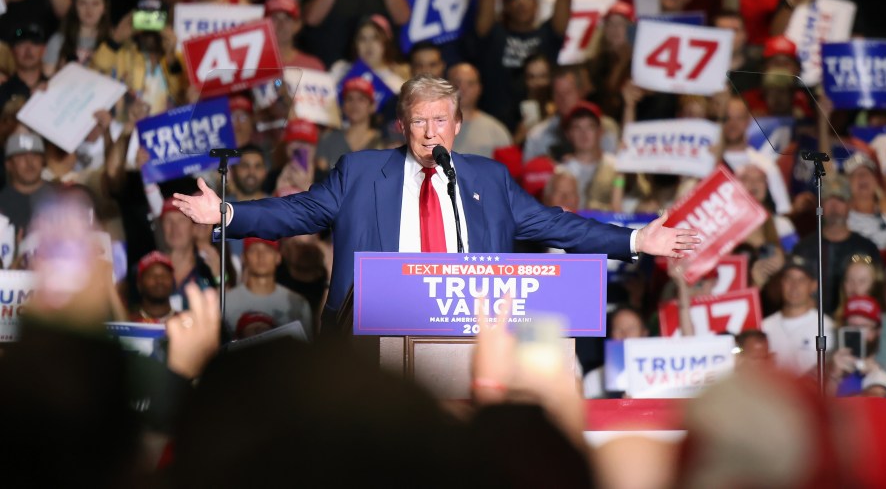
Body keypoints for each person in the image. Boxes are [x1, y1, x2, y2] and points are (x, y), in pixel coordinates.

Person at [173, 75, 700, 320]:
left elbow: (554, 225)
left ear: (459, 125)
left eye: (439, 120)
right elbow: (300, 210)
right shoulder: (361, 171)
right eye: (419, 121)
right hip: (370, 327)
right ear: (402, 126)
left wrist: (634, 239)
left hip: (470, 327)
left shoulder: (488, 179)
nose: (429, 133)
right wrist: (228, 212)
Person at [473, 0, 570, 131]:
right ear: (506, 5)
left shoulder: (548, 34)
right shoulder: (493, 34)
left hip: (543, 125)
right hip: (497, 124)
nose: (522, 2)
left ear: (536, 5)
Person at [792, 175, 881, 316]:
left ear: (850, 204)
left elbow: (878, 292)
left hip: (856, 319)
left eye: (840, 200)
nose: (834, 206)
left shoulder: (867, 248)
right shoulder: (804, 248)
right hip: (813, 323)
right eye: (829, 200)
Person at [224, 237, 314, 339]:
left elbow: (307, 352)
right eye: (253, 250)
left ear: (278, 257)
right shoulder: (225, 303)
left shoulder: (298, 304)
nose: (261, 256)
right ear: (243, 257)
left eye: (268, 250)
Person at [761, 255, 835, 375]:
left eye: (802, 280)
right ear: (781, 283)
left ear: (813, 285)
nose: (794, 286)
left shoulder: (825, 328)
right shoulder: (764, 327)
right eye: (789, 279)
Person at [42, 0, 124, 77]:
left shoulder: (115, 40)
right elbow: (47, 80)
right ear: (75, 7)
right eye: (82, 3)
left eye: (95, 3)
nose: (89, 9)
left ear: (104, 8)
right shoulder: (58, 40)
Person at [558, 101, 618, 211]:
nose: (583, 133)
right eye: (577, 127)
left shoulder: (617, 166)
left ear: (600, 131)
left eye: (590, 127)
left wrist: (619, 179)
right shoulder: (560, 172)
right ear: (568, 134)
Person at [316, 77, 384, 170]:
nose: (354, 104)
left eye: (361, 99)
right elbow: (320, 178)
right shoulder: (329, 139)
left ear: (372, 106)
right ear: (343, 107)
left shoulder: (383, 143)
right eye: (349, 99)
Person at [447, 63, 511, 158]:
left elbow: (508, 169)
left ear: (479, 89)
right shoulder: (432, 128)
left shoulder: (496, 131)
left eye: (470, 84)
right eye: (457, 83)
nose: (463, 88)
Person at [0, 131, 49, 233]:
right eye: (21, 156)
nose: (29, 162)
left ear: (43, 160)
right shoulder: (1, 205)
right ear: (8, 164)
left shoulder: (63, 197)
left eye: (35, 155)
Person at [264, 0, 324, 70]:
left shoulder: (313, 67)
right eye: (274, 18)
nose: (281, 24)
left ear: (298, 25)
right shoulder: (251, 63)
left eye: (287, 19)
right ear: (263, 23)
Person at [0, 23, 48, 113]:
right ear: (12, 50)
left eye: (34, 43)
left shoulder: (54, 86)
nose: (28, 49)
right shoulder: (2, 94)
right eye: (21, 44)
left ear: (44, 49)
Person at [129, 250, 177, 324]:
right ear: (139, 284)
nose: (159, 280)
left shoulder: (185, 322)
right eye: (151, 276)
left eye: (165, 275)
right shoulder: (129, 323)